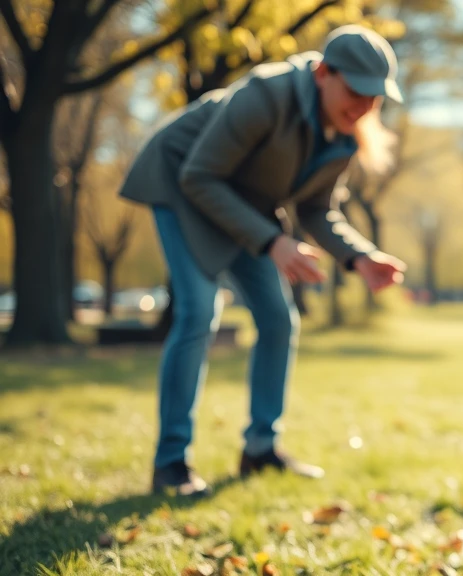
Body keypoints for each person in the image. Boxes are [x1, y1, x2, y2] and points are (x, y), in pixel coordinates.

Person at [120, 25, 408, 497]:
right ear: (323, 73)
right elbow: (199, 175)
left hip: (245, 206)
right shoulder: (266, 94)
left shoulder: (342, 137)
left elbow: (317, 209)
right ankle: (171, 463)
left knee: (278, 320)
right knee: (197, 313)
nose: (363, 106)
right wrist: (273, 242)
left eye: (374, 97)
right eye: (355, 91)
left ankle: (260, 449)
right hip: (182, 183)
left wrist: (360, 257)